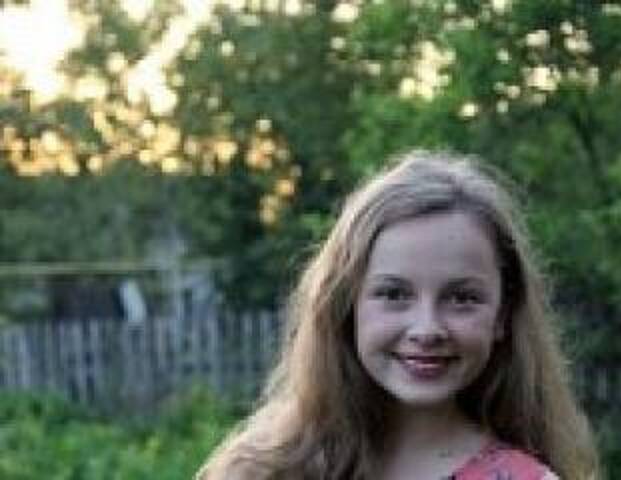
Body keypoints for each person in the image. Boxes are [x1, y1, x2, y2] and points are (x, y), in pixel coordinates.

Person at [197, 150, 599, 479]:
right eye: (393, 294)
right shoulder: (264, 468)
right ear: (346, 304)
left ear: (502, 315)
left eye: (462, 298)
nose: (427, 329)